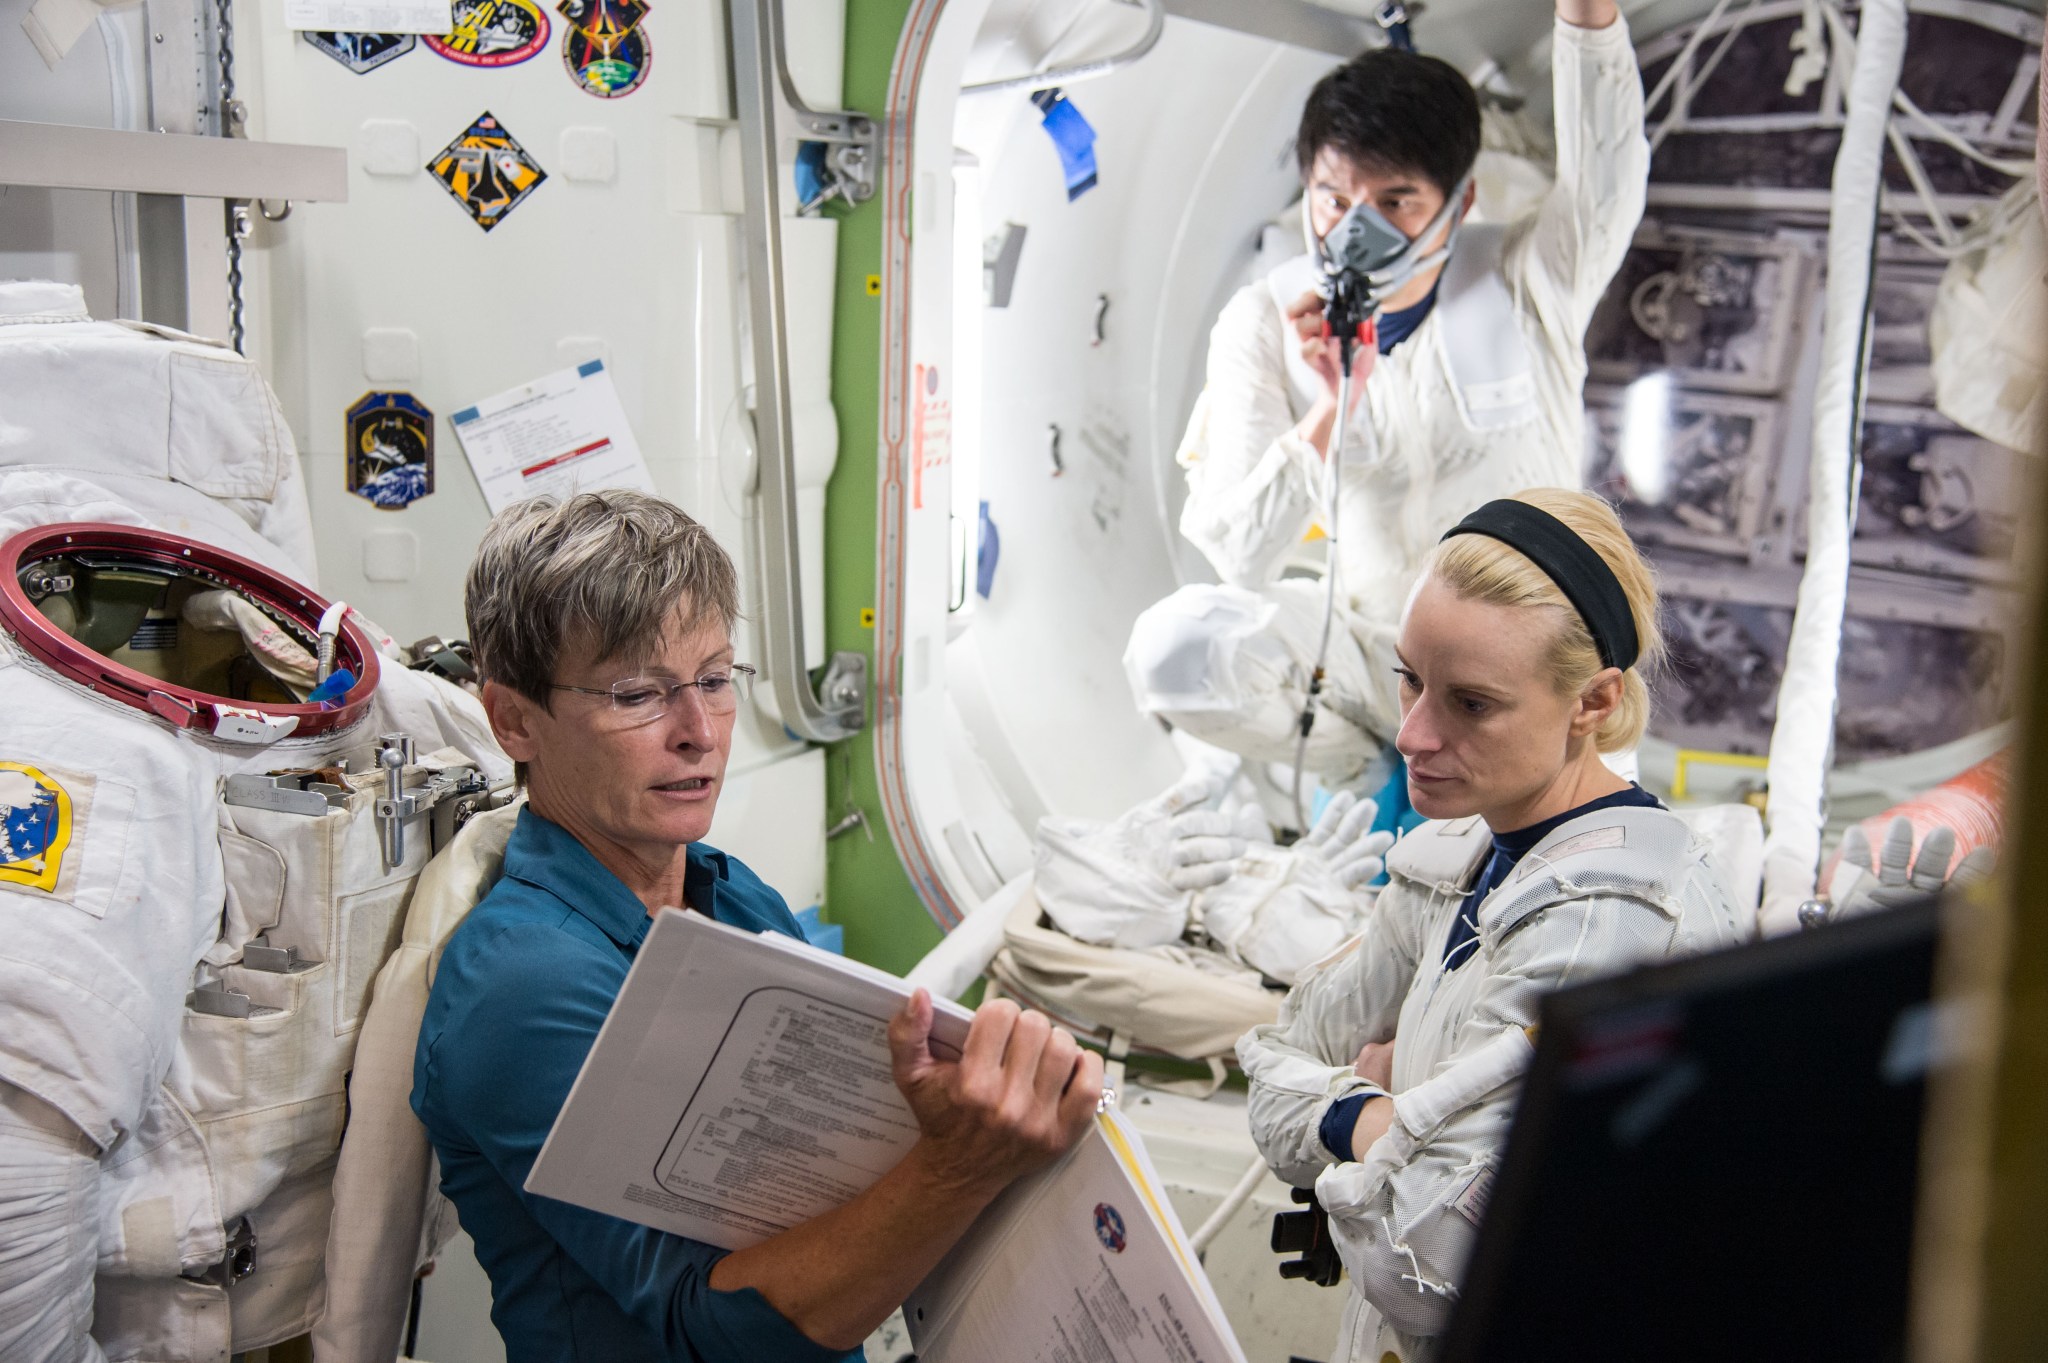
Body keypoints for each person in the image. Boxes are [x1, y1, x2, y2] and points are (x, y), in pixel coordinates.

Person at [412, 490, 1104, 1363]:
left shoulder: (731, 900)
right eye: (638, 694)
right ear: (514, 720)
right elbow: (715, 1332)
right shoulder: (523, 984)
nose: (699, 732)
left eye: (712, 679)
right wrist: (956, 1165)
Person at [1234, 488, 1748, 1363]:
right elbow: (1276, 1063)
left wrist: (1346, 1111)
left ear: (1593, 701)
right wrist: (1384, 1117)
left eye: (1470, 704)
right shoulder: (1456, 855)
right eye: (1409, 676)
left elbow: (1431, 1265)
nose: (1411, 733)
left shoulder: (1612, 924)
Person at [1125, 0, 1649, 785]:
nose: (1355, 235)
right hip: (1378, 649)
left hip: (1531, 660)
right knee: (1182, 648)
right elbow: (1240, 555)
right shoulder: (1265, 321)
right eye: (1335, 201)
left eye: (1396, 203)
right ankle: (1381, 779)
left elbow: (1608, 181)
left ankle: (1487, 791)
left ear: (1459, 204)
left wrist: (1588, 17)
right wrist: (1331, 409)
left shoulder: (1527, 279)